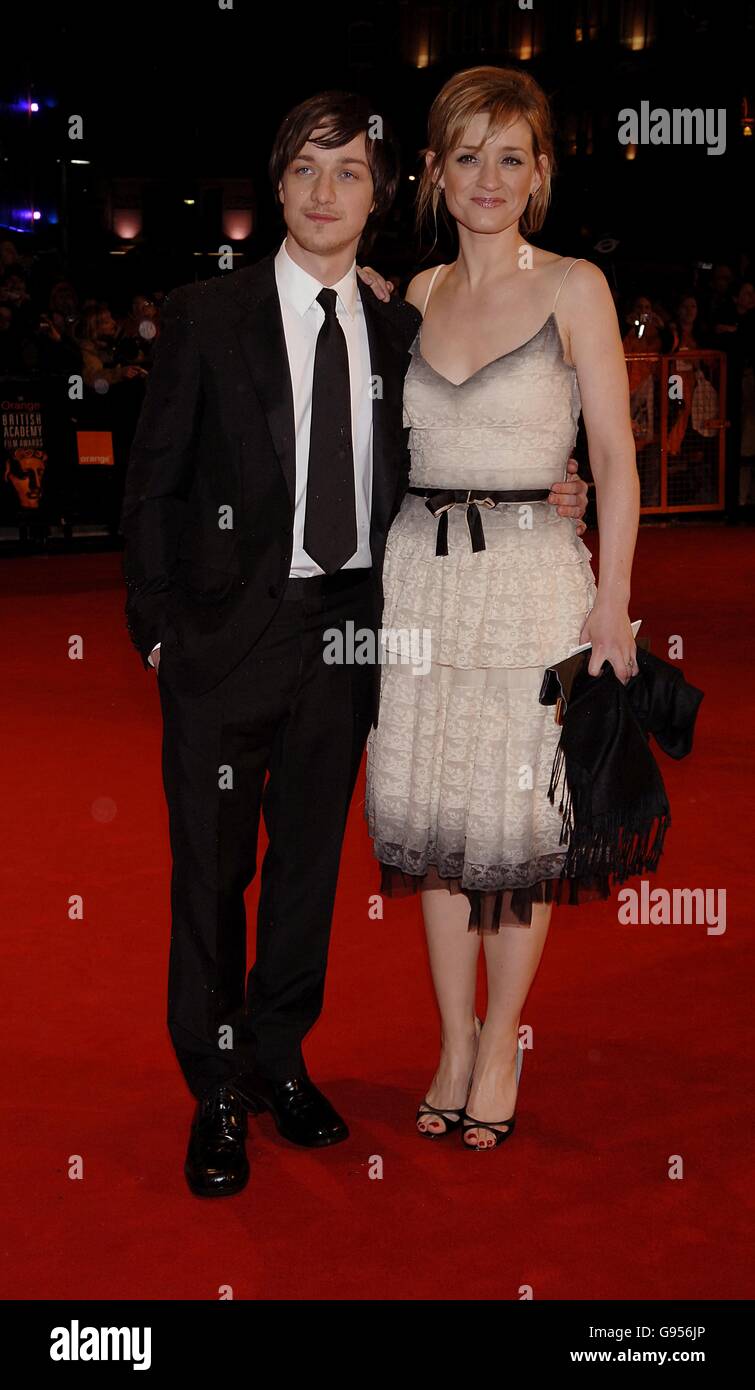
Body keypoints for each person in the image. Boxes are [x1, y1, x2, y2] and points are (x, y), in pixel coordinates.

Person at [119, 88, 589, 1197]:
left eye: (348, 173)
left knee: (308, 875)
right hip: (223, 642)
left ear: (379, 194)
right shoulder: (203, 315)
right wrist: (156, 639)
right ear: (275, 188)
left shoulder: (399, 329)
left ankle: (281, 1060)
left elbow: (467, 446)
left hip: (349, 641)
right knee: (210, 879)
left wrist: (546, 493)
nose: (325, 193)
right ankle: (218, 1090)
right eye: (303, 171)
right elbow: (149, 491)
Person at [364, 66, 639, 1151]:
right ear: (434, 168)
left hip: (532, 586)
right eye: (465, 155)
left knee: (514, 834)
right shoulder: (415, 296)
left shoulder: (574, 286)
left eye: (509, 157)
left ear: (538, 174)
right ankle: (447, 1036)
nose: (487, 178)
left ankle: (498, 1042)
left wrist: (613, 599)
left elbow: (613, 459)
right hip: (422, 581)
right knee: (436, 828)